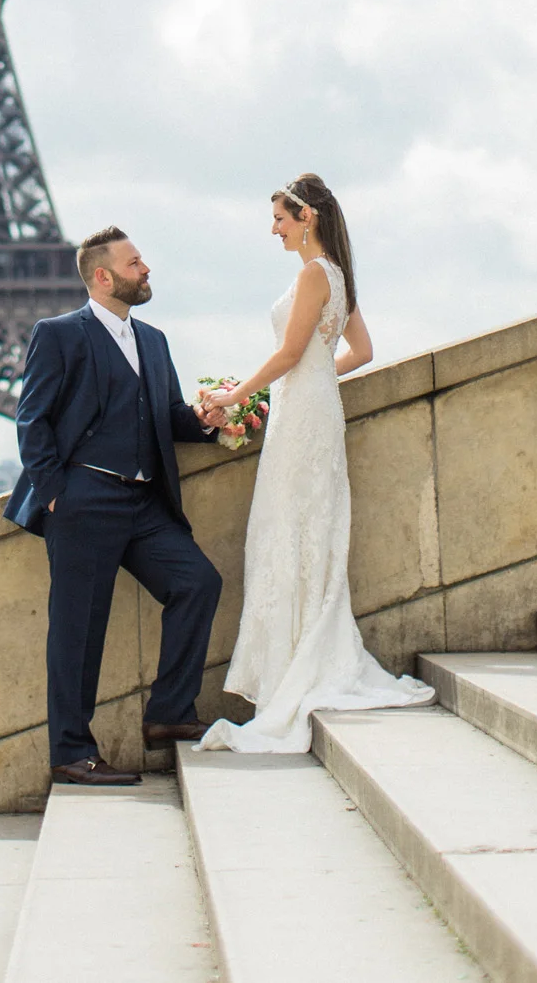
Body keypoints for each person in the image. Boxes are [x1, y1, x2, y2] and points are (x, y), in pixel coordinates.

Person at [196, 174, 434, 754]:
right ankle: (307, 648)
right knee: (308, 528)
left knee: (287, 528)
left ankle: (293, 664)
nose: (272, 228)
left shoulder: (311, 274)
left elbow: (289, 353)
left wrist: (235, 397)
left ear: (307, 218)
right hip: (314, 408)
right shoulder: (338, 276)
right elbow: (362, 351)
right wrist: (315, 379)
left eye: (279, 218)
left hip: (301, 416)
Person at [5, 226, 224, 787]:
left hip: (145, 502)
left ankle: (169, 714)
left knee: (197, 582)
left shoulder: (152, 339)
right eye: (134, 262)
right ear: (103, 276)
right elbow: (32, 418)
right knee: (78, 629)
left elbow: (168, 415)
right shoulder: (58, 334)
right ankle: (71, 751)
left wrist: (205, 422)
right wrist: (57, 491)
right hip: (85, 500)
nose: (146, 268)